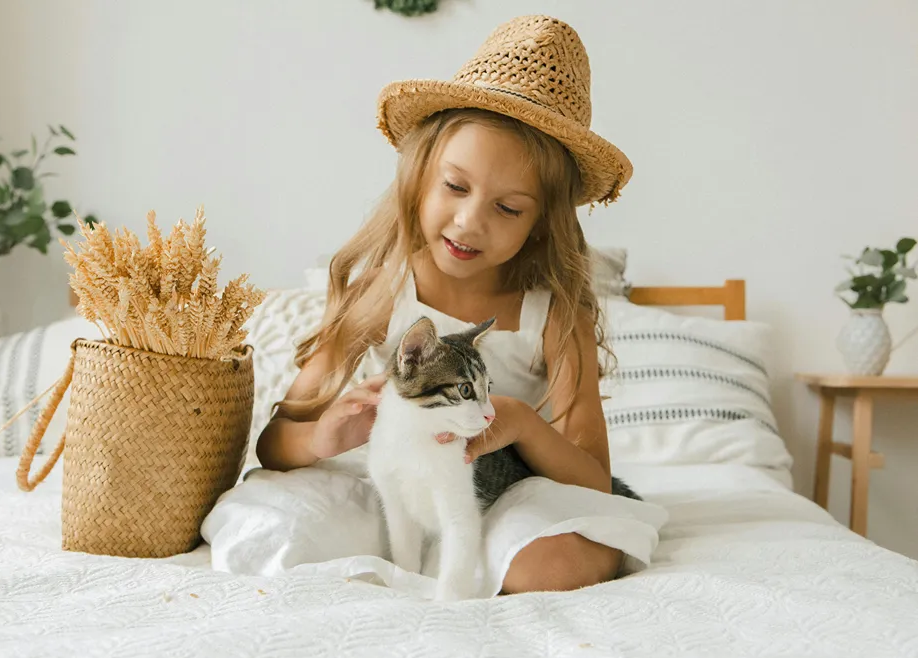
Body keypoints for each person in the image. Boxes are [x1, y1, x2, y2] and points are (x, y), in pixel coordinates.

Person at [202, 14, 666, 597]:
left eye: (509, 207)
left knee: (549, 567)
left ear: (543, 220)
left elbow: (593, 480)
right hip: (397, 484)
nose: (470, 222)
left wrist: (517, 422)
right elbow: (276, 445)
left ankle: (468, 563)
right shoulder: (382, 289)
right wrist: (324, 436)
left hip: (507, 489)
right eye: (455, 187)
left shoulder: (556, 312)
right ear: (421, 176)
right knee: (270, 533)